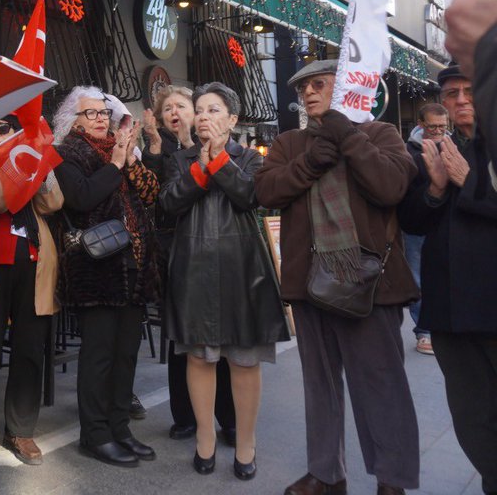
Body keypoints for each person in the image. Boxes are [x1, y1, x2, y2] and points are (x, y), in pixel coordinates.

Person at [256, 59, 420, 495]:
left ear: (344, 87)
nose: (308, 92)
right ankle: (326, 475)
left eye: (319, 84)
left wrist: (348, 137)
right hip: (310, 284)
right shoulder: (290, 142)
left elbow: (391, 187)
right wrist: (311, 162)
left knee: (381, 386)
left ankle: (392, 481)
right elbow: (266, 191)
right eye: (303, 87)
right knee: (320, 386)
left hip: (372, 283)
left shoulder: (378, 133)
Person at [158, 82, 289, 480]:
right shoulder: (180, 160)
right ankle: (204, 438)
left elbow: (250, 197)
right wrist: (200, 166)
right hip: (194, 269)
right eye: (200, 110)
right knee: (198, 357)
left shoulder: (251, 158)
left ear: (232, 120)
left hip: (244, 272)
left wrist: (217, 162)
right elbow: (168, 203)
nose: (203, 117)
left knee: (245, 361)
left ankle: (245, 444)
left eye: (213, 110)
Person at [398, 63, 497, 492]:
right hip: (451, 315)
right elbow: (413, 224)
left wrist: (470, 183)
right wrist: (437, 188)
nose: (460, 100)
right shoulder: (436, 151)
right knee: (472, 417)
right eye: (452, 93)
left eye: (469, 90)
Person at [53, 86, 160, 469]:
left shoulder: (124, 152)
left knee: (125, 355)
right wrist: (115, 166)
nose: (101, 118)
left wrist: (128, 160)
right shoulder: (67, 153)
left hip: (133, 269)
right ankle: (95, 435)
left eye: (103, 112)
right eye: (91, 113)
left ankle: (120, 428)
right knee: (99, 357)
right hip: (95, 271)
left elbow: (151, 195)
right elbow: (80, 198)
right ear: (73, 120)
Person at [0, 113, 62, 467]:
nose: (5, 134)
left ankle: (20, 429)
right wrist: (15, 165)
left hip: (33, 262)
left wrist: (41, 161)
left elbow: (52, 203)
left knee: (29, 349)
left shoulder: (29, 160)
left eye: (12, 129)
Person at [142, 84, 238, 445]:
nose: (177, 114)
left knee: (222, 337)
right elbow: (161, 199)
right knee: (181, 336)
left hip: (220, 250)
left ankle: (227, 418)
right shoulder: (164, 151)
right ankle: (185, 416)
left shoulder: (230, 151)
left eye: (183, 106)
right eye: (169, 109)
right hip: (175, 248)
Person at [402, 103, 450, 357]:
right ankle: (424, 330)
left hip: (448, 223)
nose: (439, 131)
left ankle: (446, 326)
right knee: (418, 277)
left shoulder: (454, 147)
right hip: (418, 223)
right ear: (420, 124)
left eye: (443, 126)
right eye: (433, 127)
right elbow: (406, 195)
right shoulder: (409, 152)